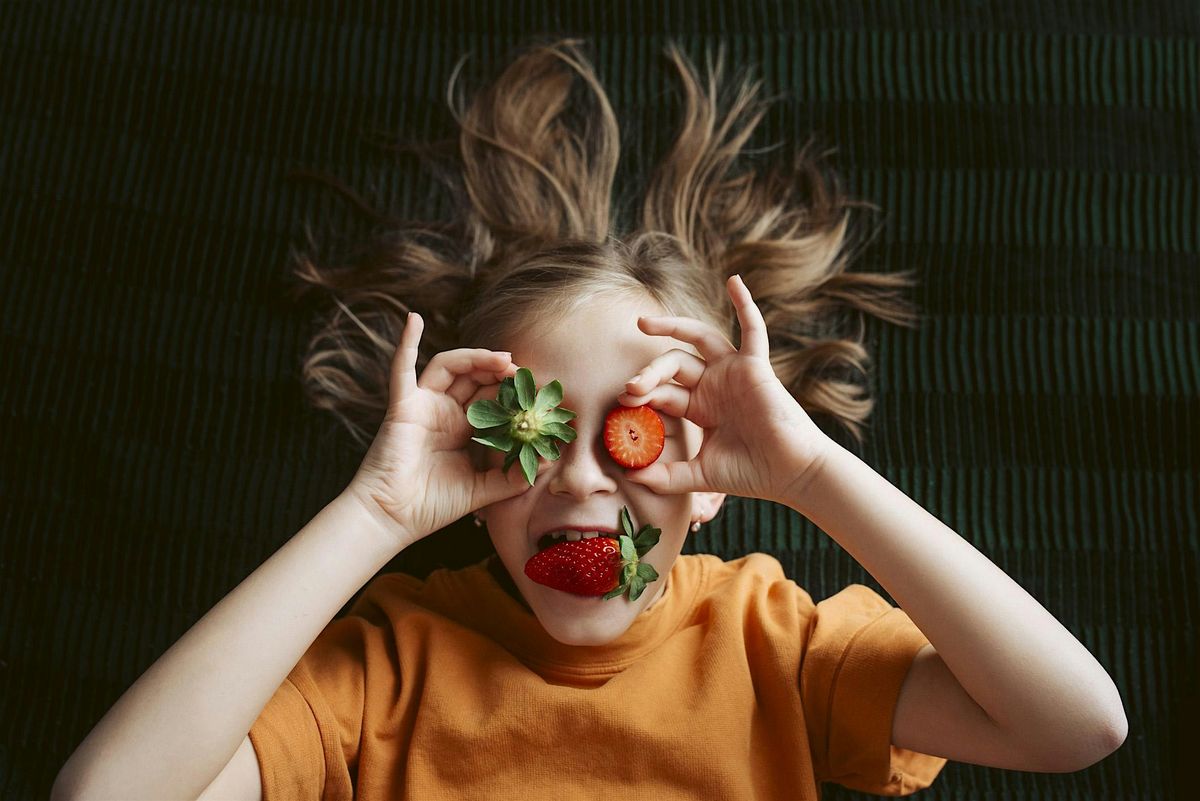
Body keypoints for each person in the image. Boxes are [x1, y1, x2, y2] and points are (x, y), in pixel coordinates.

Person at [52, 37, 1128, 801]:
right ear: (472, 467)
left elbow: (1078, 726)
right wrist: (375, 514)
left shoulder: (773, 642)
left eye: (640, 431)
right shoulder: (382, 671)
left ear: (713, 484)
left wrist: (810, 475)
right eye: (533, 431)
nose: (579, 480)